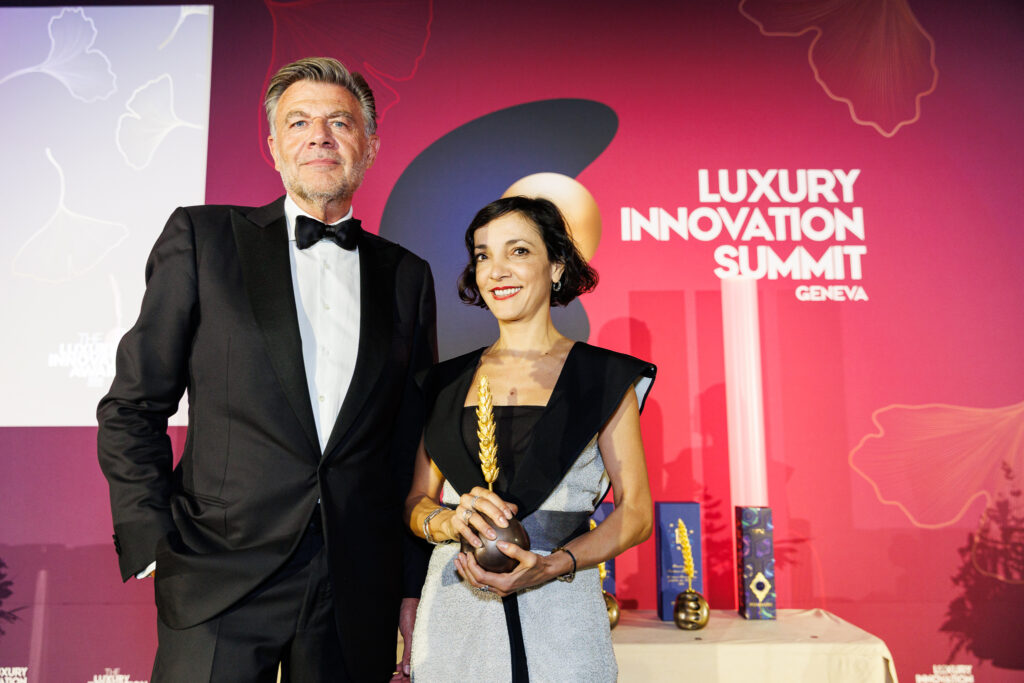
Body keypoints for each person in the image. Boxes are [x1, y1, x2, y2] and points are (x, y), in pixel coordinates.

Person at [97, 57, 436, 682]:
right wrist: (154, 540)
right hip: (217, 575)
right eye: (299, 122)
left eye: (340, 122)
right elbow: (133, 405)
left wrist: (411, 582)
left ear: (369, 145)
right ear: (274, 145)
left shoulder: (407, 276)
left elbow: (408, 445)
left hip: (354, 587)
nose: (319, 137)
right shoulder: (204, 239)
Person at [404, 196, 655, 681]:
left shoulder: (602, 378)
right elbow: (416, 501)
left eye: (518, 251)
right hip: (456, 613)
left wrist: (554, 564)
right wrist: (451, 522)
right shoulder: (442, 383)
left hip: (562, 613)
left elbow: (637, 513)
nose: (497, 270)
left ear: (556, 266)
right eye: (483, 255)